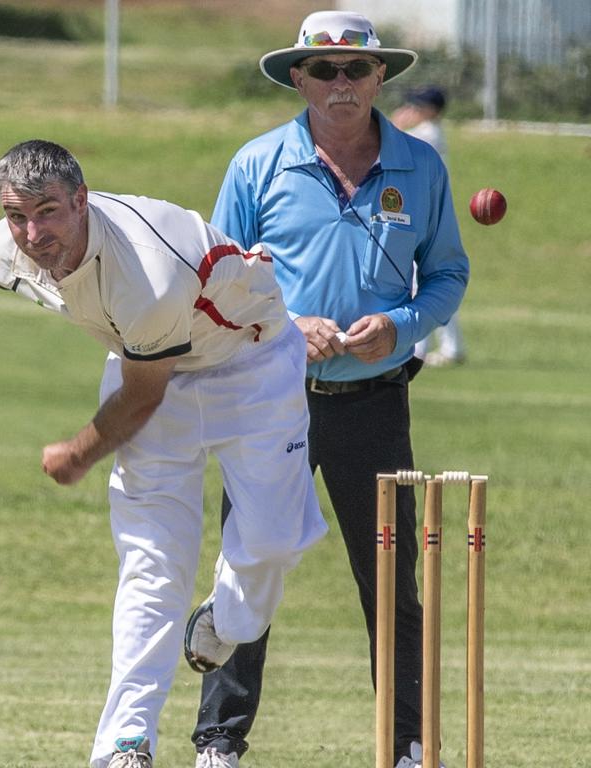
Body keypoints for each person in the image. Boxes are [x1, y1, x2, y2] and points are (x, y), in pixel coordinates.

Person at [0, 139, 328, 768]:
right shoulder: (16, 237)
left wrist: (79, 453)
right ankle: (125, 744)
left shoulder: (145, 272)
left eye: (48, 212)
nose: (33, 233)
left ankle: (227, 619)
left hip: (251, 366)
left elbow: (139, 401)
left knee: (272, 544)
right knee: (152, 565)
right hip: (151, 364)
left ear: (82, 200)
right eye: (18, 215)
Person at [190, 11, 469, 768]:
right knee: (251, 568)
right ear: (299, 79)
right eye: (324, 71)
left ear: (382, 77)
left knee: (391, 584)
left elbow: (448, 273)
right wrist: (287, 323)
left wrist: (404, 325)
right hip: (272, 395)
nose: (340, 84)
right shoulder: (258, 164)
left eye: (355, 70)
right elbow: (218, 276)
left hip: (376, 398)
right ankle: (220, 742)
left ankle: (407, 744)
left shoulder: (421, 165)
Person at [392, 85, 467, 367]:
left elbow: (391, 145)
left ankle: (420, 349)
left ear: (433, 109)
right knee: (432, 282)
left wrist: (396, 124)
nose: (415, 108)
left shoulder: (429, 134)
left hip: (422, 213)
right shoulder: (429, 133)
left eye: (420, 105)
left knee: (417, 283)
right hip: (425, 211)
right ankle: (447, 347)